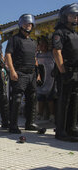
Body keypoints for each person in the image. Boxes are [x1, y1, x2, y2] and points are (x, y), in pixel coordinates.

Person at [5, 14, 41, 134]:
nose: (28, 26)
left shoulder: (33, 42)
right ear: (21, 25)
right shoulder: (14, 39)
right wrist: (12, 71)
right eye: (26, 23)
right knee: (17, 99)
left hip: (32, 74)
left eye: (30, 24)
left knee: (32, 99)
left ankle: (29, 123)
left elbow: (34, 58)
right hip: (19, 73)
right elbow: (8, 55)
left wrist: (38, 74)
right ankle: (13, 125)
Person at [52, 3, 78, 141]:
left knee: (74, 100)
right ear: (64, 17)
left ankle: (72, 128)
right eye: (72, 15)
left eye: (76, 16)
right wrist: (63, 72)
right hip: (65, 72)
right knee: (64, 101)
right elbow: (57, 52)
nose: (75, 18)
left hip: (76, 71)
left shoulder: (74, 33)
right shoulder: (59, 32)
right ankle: (61, 132)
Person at [36, 36, 56, 122]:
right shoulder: (37, 55)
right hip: (41, 79)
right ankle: (40, 114)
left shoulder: (52, 54)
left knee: (50, 98)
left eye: (44, 45)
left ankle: (52, 115)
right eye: (41, 45)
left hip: (50, 79)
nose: (43, 46)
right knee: (40, 98)